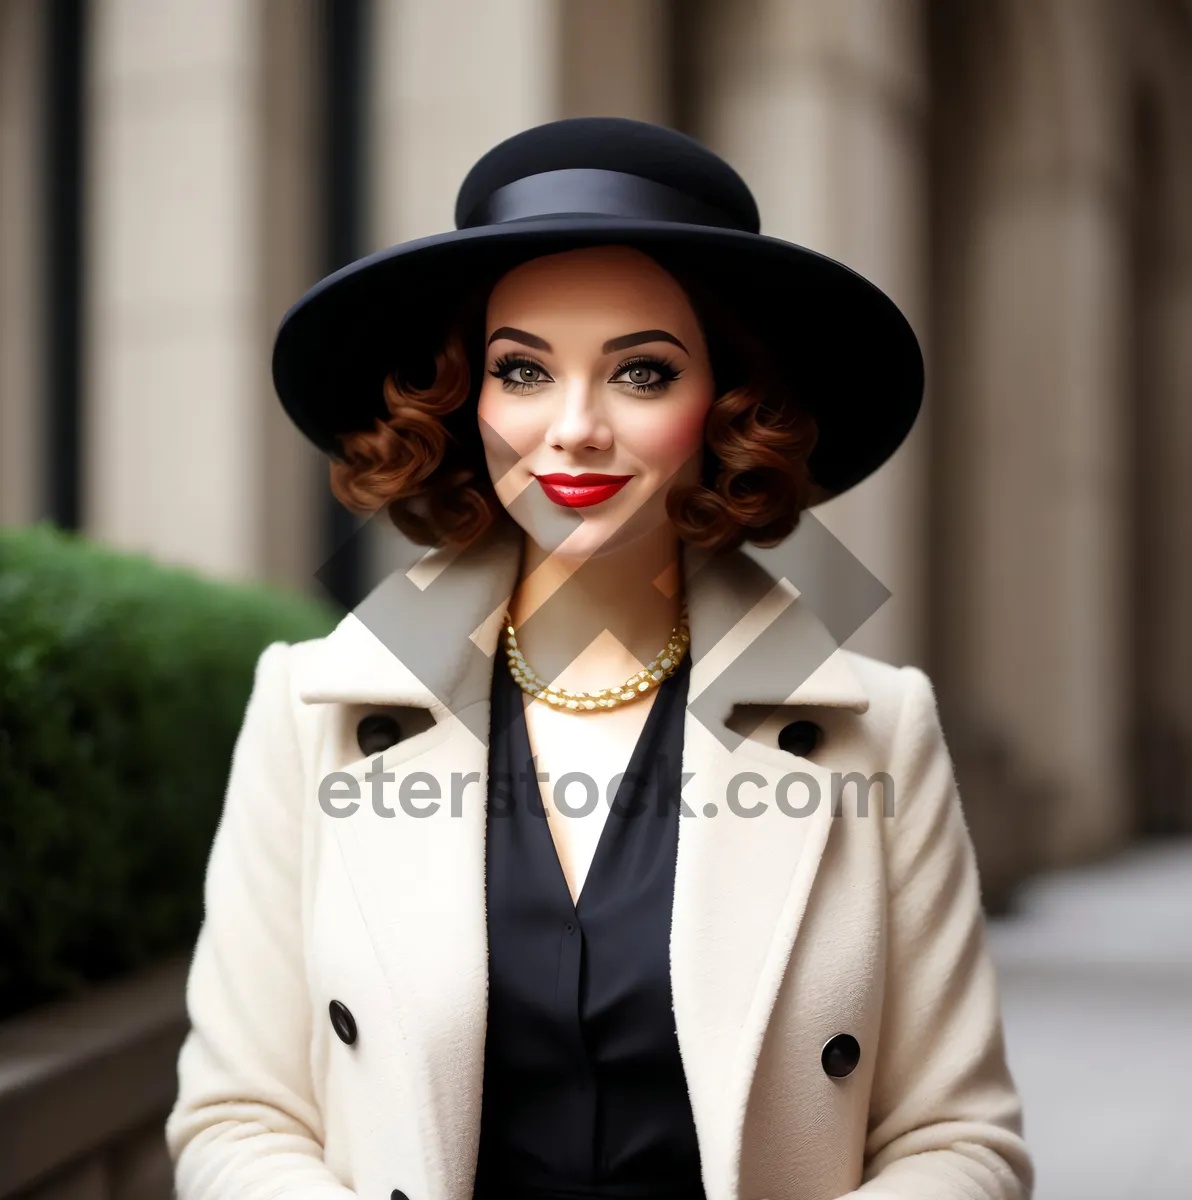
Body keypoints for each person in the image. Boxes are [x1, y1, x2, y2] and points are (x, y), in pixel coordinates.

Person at [165, 118, 1033, 1200]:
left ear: (726, 408)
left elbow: (961, 1141)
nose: (573, 428)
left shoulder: (881, 728)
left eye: (642, 372)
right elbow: (237, 1118)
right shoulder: (310, 710)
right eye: (522, 370)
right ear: (463, 401)